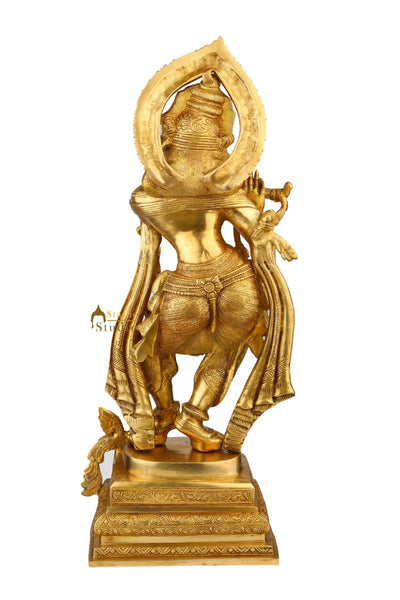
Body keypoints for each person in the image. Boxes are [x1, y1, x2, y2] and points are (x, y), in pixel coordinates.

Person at [106, 72, 296, 452]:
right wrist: (257, 206)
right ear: (223, 142)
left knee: (146, 347)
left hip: (185, 291)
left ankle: (163, 413)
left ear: (169, 135)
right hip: (237, 282)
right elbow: (256, 229)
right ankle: (193, 414)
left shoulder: (147, 198)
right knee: (228, 347)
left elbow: (152, 232)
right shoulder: (225, 187)